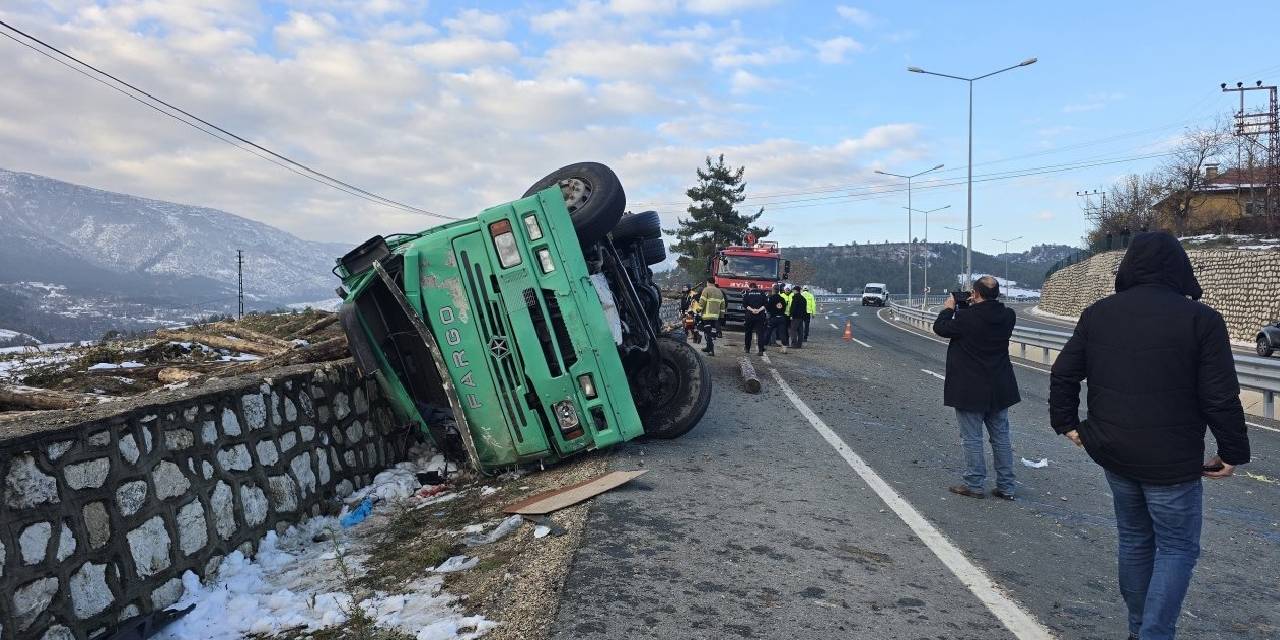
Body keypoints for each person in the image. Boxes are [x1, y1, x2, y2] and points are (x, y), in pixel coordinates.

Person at [1048, 231, 1249, 640]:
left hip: (1114, 451)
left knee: (1135, 540)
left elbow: (1064, 372)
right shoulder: (1202, 319)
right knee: (1176, 548)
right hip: (1172, 460)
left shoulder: (1099, 313)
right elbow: (1220, 395)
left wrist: (1067, 425)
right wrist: (1232, 452)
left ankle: (1139, 630)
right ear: (1181, 268)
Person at [932, 276, 1019, 500]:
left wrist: (949, 308)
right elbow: (985, 317)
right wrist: (971, 305)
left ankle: (975, 484)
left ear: (977, 294)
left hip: (970, 388)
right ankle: (1007, 487)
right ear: (997, 293)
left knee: (971, 438)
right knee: (1001, 438)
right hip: (1000, 386)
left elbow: (941, 328)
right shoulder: (1008, 316)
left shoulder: (966, 318)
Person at [697, 277, 725, 356]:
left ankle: (711, 350)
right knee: (711, 332)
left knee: (707, 333)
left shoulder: (706, 290)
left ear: (708, 282)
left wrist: (698, 310)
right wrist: (721, 316)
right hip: (715, 316)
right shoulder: (719, 291)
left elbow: (702, 301)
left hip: (707, 315)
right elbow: (723, 304)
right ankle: (708, 347)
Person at [741, 282, 768, 356]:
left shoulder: (747, 294)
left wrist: (752, 310)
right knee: (760, 333)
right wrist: (759, 310)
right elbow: (766, 304)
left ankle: (747, 348)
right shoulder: (762, 294)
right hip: (760, 316)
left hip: (749, 316)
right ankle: (760, 351)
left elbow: (745, 305)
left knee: (748, 332)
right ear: (756, 287)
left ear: (750, 288)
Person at [766, 283, 789, 349]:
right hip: (781, 318)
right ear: (778, 291)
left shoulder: (770, 298)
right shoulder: (782, 299)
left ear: (773, 290)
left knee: (768, 332)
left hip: (773, 318)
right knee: (782, 333)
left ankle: (764, 345)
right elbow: (784, 308)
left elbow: (767, 307)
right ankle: (784, 347)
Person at [788, 284, 807, 349]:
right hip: (801, 317)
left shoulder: (795, 297)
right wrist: (804, 317)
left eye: (793, 290)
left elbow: (793, 307)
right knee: (800, 331)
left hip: (795, 317)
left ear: (796, 291)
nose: (793, 291)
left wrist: (791, 315)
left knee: (793, 330)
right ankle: (799, 344)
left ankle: (794, 344)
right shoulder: (803, 299)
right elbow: (805, 309)